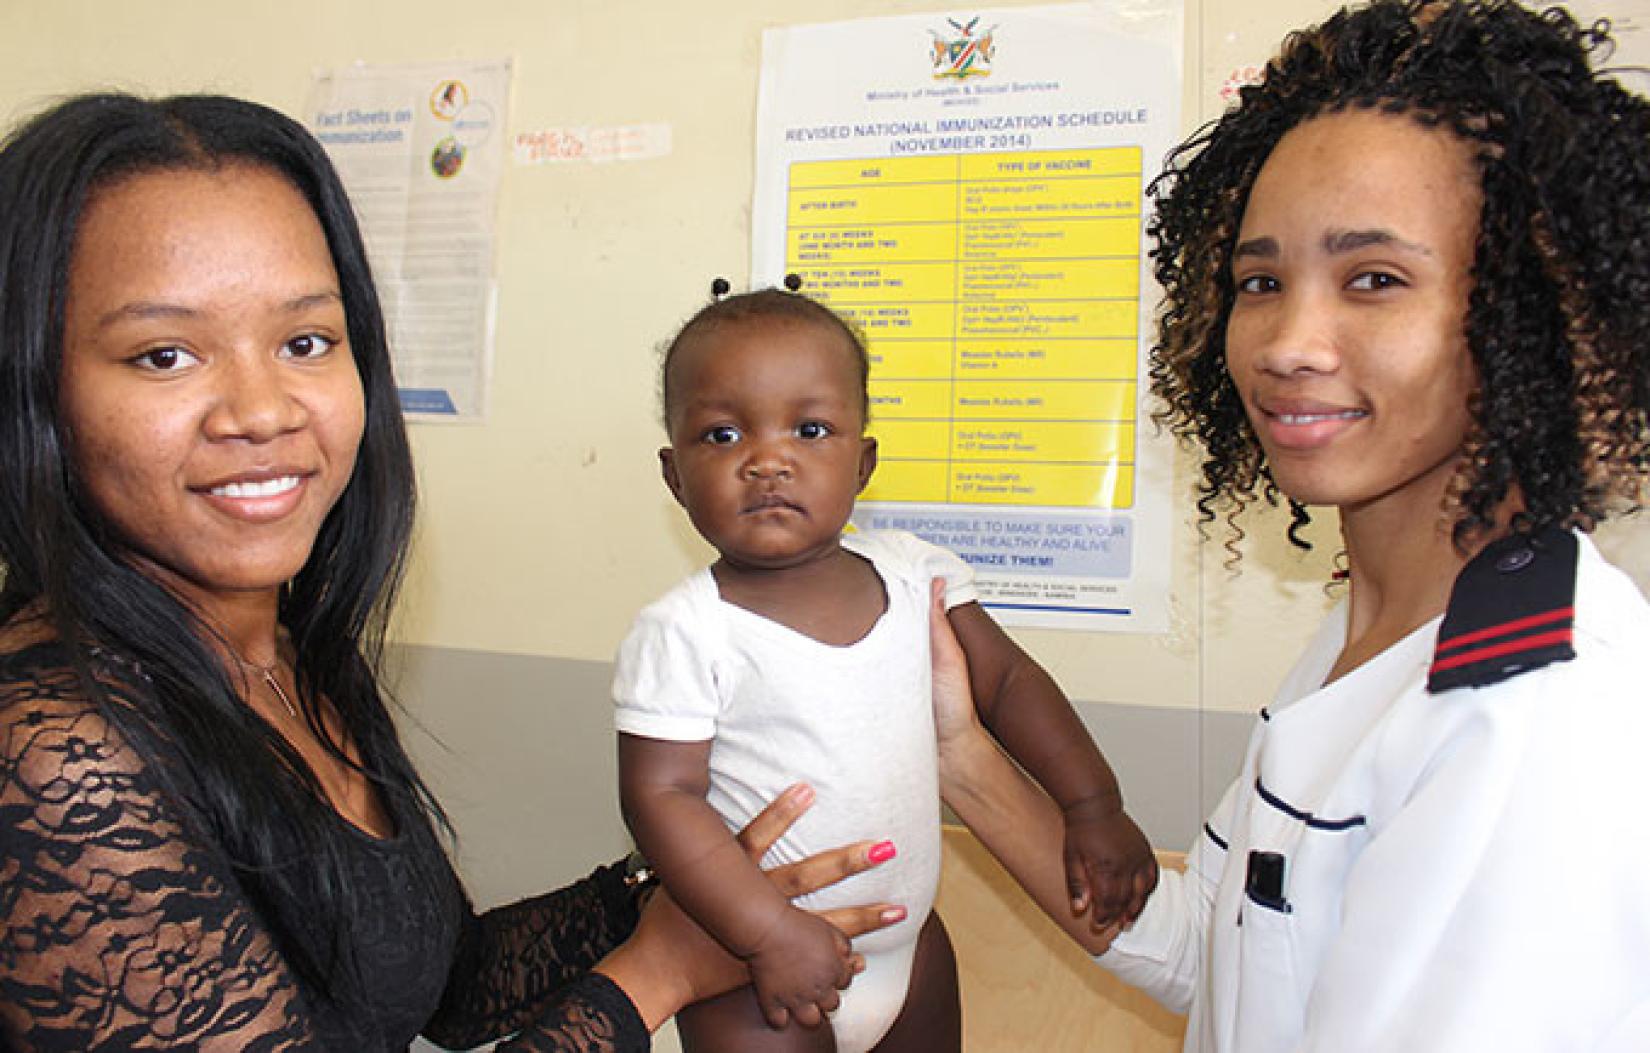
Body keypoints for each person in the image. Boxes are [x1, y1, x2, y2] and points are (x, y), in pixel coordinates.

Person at [0, 92, 906, 1052]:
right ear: (38, 395)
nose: (262, 411)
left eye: (306, 341)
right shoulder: (57, 757)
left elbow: (448, 982)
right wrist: (658, 973)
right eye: (164, 354)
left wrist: (667, 884)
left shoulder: (280, 653)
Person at [939, 1, 1650, 1049]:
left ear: (1527, 312)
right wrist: (958, 749)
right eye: (1261, 282)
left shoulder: (1532, 708)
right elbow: (1200, 945)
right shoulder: (1371, 640)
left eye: (1374, 280)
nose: (1288, 342)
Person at [613, 283, 1158, 1052]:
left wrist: (1093, 803)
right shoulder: (682, 630)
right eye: (723, 435)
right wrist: (769, 932)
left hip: (909, 951)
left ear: (863, 461)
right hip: (752, 971)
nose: (767, 460)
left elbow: (1008, 683)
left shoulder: (914, 572)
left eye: (809, 428)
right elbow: (661, 796)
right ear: (674, 477)